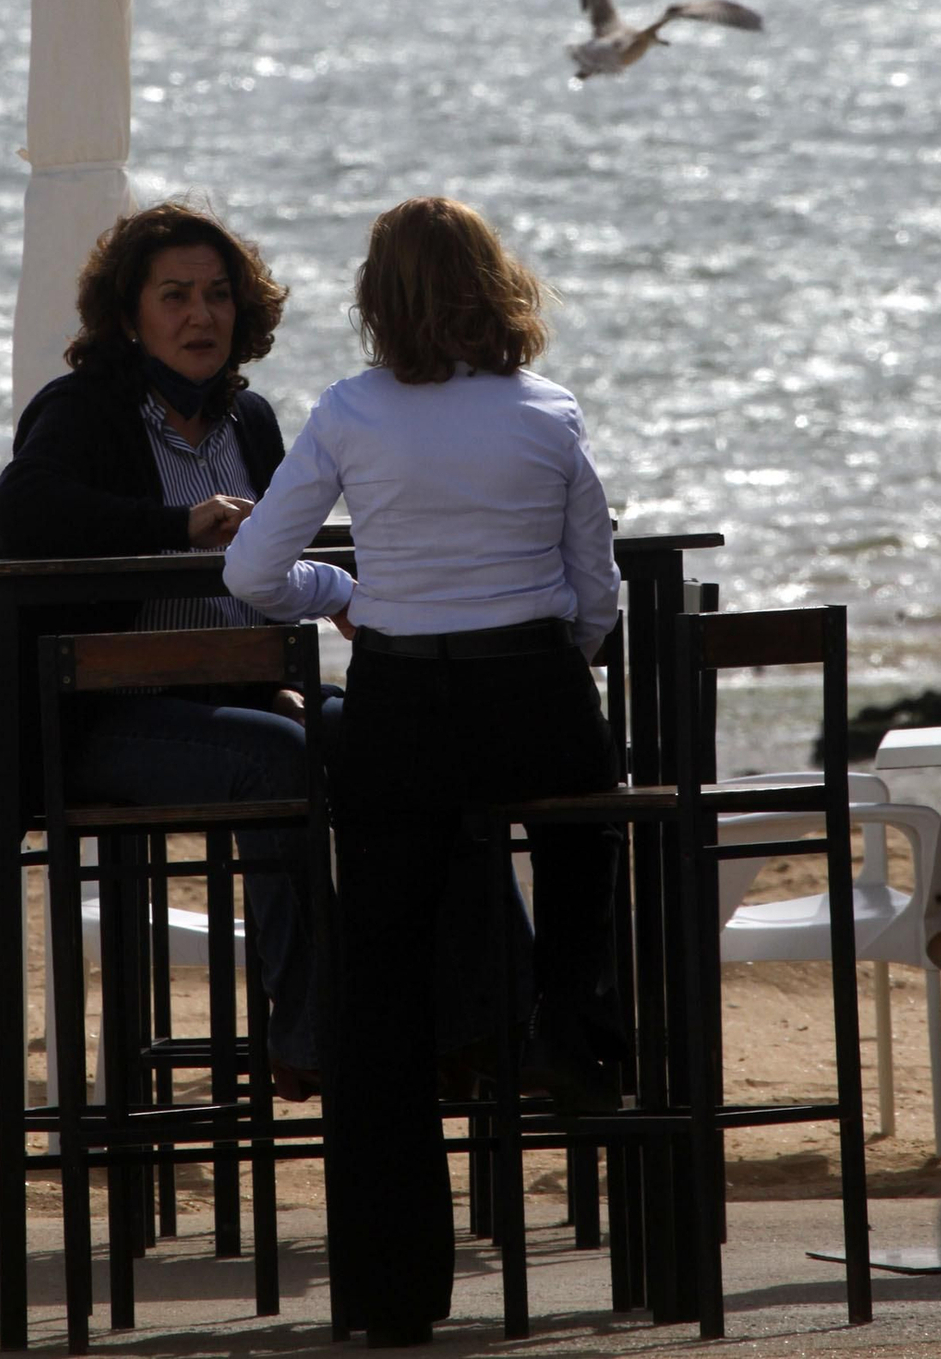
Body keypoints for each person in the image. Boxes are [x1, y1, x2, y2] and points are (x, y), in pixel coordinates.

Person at [223, 195, 623, 1345]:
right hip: (536, 699)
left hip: (404, 710)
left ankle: (394, 1291)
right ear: (499, 288)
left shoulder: (351, 412)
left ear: (375, 302)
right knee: (581, 838)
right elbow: (590, 589)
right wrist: (557, 656)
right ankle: (568, 1013)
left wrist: (342, 594)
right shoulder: (548, 412)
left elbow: (254, 574)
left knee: (381, 984)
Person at [0, 200, 339, 1091]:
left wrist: (277, 673)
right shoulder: (82, 410)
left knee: (396, 729)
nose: (202, 316)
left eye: (219, 296)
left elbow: (274, 571)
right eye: (177, 296)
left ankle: (446, 1019)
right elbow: (24, 516)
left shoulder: (252, 420)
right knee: (282, 760)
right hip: (96, 717)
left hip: (235, 695)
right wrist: (176, 526)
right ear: (128, 315)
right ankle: (311, 1039)